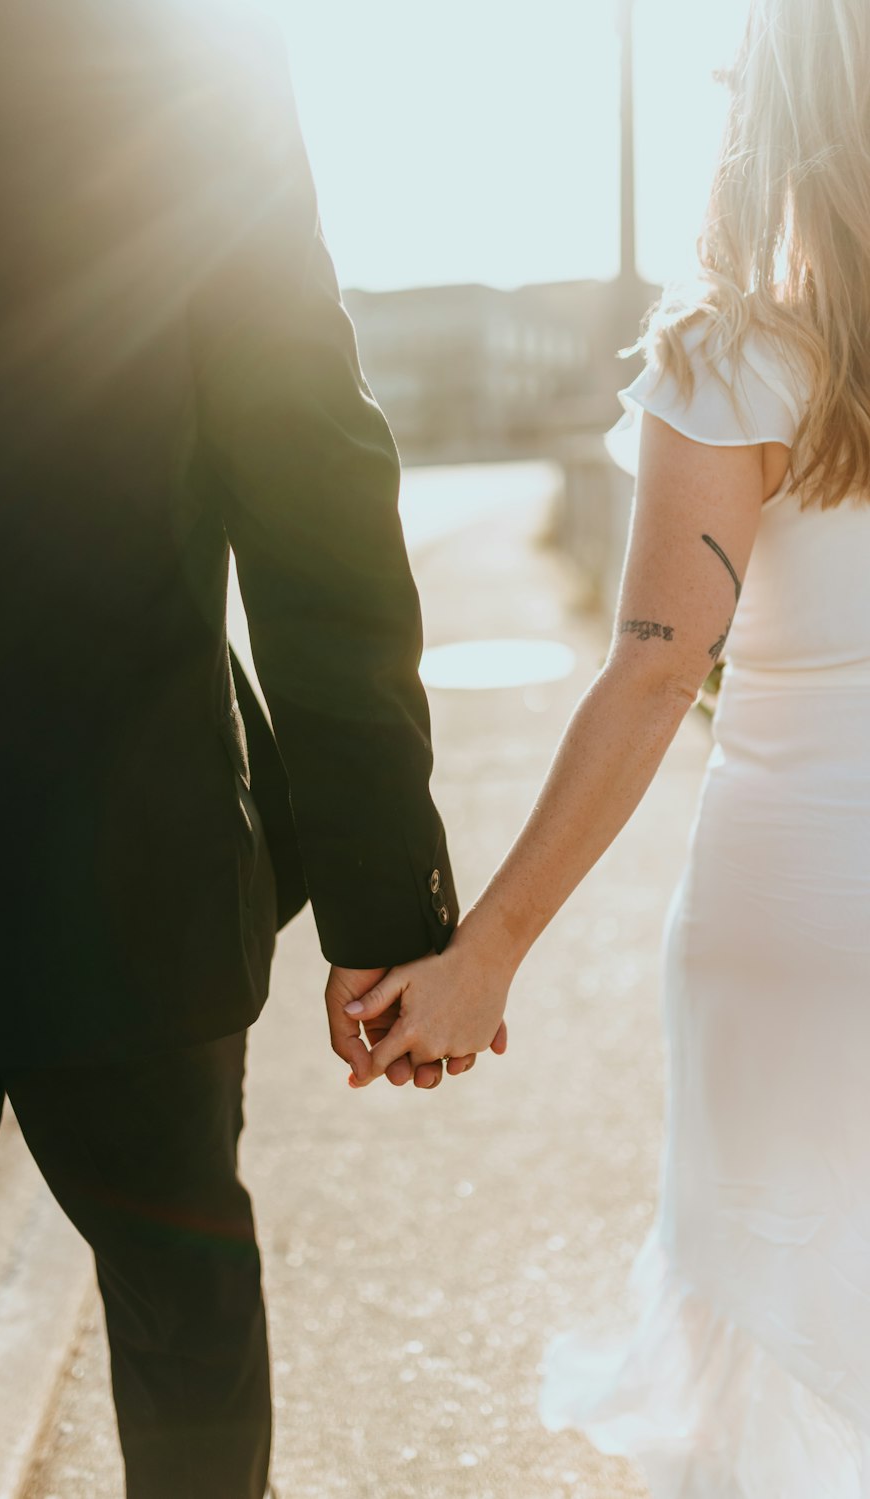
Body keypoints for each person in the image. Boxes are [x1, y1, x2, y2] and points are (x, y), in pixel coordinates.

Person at [0, 4, 506, 1497]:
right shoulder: (167, 57)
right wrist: (384, 910)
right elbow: (310, 484)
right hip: (127, 849)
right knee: (185, 1319)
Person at [347, 0, 870, 1490]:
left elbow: (654, 674)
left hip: (793, 922)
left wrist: (486, 952)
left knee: (776, 1340)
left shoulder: (730, 356)